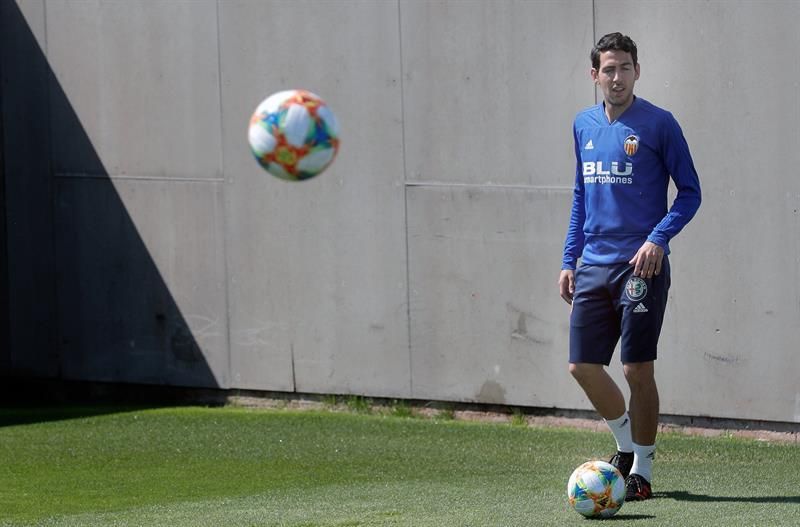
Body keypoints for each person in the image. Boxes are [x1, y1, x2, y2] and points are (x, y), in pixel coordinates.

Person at [558, 32, 701, 501]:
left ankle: (643, 470)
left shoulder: (660, 124)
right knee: (581, 366)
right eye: (608, 69)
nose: (616, 77)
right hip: (593, 265)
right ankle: (624, 445)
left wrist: (658, 238)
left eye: (624, 68)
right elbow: (581, 195)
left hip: (641, 270)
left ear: (637, 71)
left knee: (636, 369)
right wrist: (569, 260)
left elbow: (690, 193)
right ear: (594, 75)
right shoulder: (583, 124)